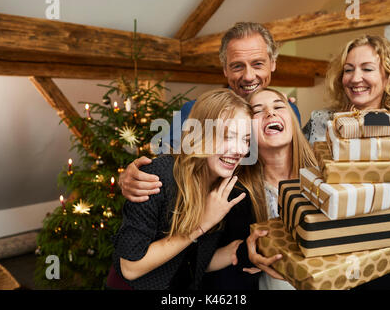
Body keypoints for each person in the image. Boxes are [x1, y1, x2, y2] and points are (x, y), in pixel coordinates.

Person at [118, 22, 301, 203]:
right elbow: (163, 170)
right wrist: (132, 178)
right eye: (237, 66)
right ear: (225, 70)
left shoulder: (289, 113)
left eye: (258, 64)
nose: (248, 76)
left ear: (273, 64)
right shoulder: (193, 112)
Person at [109, 88, 262, 290]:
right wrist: (201, 225)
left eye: (246, 140)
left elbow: (192, 261)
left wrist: (241, 251)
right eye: (228, 136)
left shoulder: (225, 187)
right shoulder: (158, 176)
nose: (240, 150)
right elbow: (130, 266)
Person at [302, 34, 390, 223]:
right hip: (320, 229)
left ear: (389, 79)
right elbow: (297, 174)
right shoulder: (319, 120)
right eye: (348, 70)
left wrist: (375, 226)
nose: (355, 78)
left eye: (367, 69)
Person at [205, 88, 317, 290]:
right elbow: (201, 262)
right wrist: (244, 255)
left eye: (278, 106)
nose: (271, 113)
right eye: (258, 110)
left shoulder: (323, 178)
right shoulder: (235, 193)